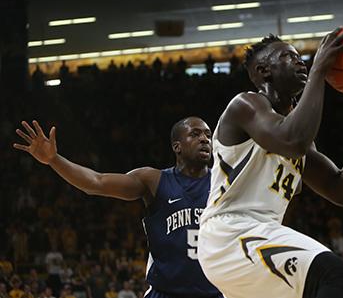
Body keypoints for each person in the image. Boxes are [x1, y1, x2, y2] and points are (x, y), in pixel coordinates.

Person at [198, 29, 343, 298]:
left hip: (257, 236)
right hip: (230, 233)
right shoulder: (246, 105)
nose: (301, 62)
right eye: (289, 56)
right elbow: (293, 140)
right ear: (265, 71)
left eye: (302, 58)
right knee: (335, 273)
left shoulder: (298, 138)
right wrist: (319, 71)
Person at [13, 117, 222, 298]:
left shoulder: (227, 183)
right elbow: (97, 182)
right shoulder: (154, 180)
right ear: (177, 146)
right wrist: (54, 160)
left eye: (207, 134)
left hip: (216, 292)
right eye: (195, 134)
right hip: (165, 293)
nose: (204, 139)